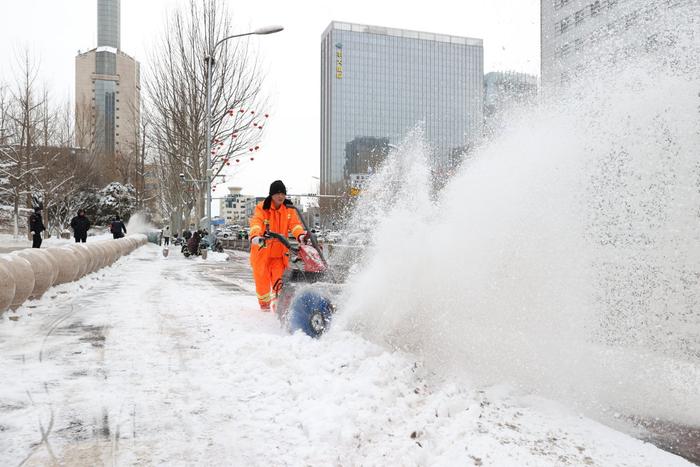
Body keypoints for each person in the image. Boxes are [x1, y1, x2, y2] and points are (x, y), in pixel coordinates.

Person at [249, 180, 308, 311]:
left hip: (279, 254)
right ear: (271, 195)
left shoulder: (288, 209)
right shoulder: (262, 208)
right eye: (277, 194)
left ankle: (279, 308)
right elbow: (256, 222)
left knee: (279, 282)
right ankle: (264, 307)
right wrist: (255, 236)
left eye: (283, 194)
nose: (280, 196)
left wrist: (301, 235)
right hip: (262, 252)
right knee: (262, 283)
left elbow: (295, 225)